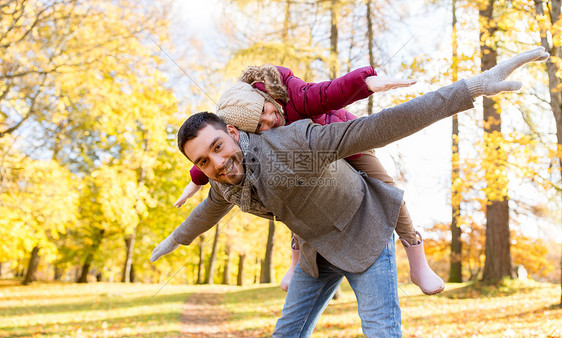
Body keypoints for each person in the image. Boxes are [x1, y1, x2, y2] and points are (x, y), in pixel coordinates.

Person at [151, 48, 549, 337]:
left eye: (217, 148)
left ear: (234, 134)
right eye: (203, 161)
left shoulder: (295, 139)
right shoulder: (224, 183)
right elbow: (205, 213)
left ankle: (416, 253)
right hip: (316, 252)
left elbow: (383, 124)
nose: (216, 164)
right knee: (286, 334)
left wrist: (469, 89)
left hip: (366, 235)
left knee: (380, 331)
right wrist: (174, 239)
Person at [174, 64, 445, 295]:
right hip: (307, 163)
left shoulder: (293, 95)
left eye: (266, 111)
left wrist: (367, 82)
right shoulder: (243, 133)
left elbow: (330, 93)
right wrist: (196, 179)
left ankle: (417, 261)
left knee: (387, 190)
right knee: (290, 194)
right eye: (259, 126)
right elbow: (218, 149)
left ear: (264, 97)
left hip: (343, 142)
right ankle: (296, 262)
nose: (270, 122)